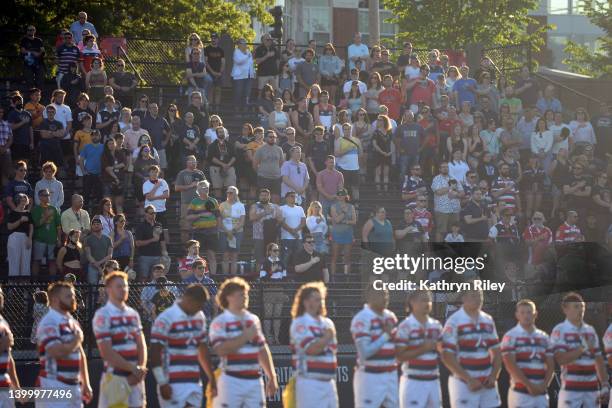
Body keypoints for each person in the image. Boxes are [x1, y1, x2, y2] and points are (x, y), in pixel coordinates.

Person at [209, 277, 278, 407]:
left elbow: (262, 349)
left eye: (246, 293)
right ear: (229, 297)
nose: (246, 297)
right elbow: (220, 350)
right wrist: (245, 336)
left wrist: (272, 376)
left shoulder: (253, 319)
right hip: (231, 381)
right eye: (241, 294)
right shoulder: (219, 322)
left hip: (255, 381)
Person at [150, 283, 217, 407]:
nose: (200, 308)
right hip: (171, 383)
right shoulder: (165, 318)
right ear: (189, 300)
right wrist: (162, 382)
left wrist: (212, 378)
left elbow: (202, 348)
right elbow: (154, 352)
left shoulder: (199, 316)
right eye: (199, 305)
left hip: (194, 383)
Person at [93, 271, 147, 408]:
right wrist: (134, 369)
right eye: (119, 286)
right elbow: (106, 352)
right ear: (108, 289)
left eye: (125, 286)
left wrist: (139, 369)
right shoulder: (102, 315)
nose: (123, 289)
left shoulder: (133, 314)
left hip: (137, 378)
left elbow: (142, 345)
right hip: (115, 377)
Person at [441, 288, 502, 408]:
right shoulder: (454, 321)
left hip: (487, 384)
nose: (478, 298)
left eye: (480, 295)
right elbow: (446, 356)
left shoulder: (488, 320)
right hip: (463, 384)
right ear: (463, 298)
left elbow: (497, 352)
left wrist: (493, 375)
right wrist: (468, 379)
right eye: (473, 295)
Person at [36, 281, 92, 406]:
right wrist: (77, 340)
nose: (73, 299)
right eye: (68, 296)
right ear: (55, 299)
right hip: (53, 385)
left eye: (73, 295)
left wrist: (86, 383)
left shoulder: (72, 321)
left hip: (74, 386)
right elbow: (56, 352)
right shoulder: (49, 321)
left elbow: (80, 354)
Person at [551, 292, 609, 408]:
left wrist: (604, 384)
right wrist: (582, 348)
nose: (581, 310)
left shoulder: (590, 331)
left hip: (592, 388)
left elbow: (598, 360)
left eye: (582, 306)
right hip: (570, 389)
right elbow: (561, 359)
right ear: (565, 309)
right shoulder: (560, 330)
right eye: (576, 306)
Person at [290, 281, 338, 408]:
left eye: (319, 299)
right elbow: (311, 349)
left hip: (329, 382)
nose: (317, 303)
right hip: (309, 382)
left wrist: (323, 341)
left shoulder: (328, 323)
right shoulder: (299, 323)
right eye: (313, 299)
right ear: (304, 302)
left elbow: (331, 351)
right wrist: (326, 337)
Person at [500, 299, 554, 408]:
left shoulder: (544, 337)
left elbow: (551, 365)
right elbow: (510, 365)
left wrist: (544, 385)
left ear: (535, 314)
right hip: (520, 394)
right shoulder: (510, 336)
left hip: (541, 394)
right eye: (522, 312)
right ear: (517, 315)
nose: (526, 315)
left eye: (529, 312)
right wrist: (529, 386)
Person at [350, 287, 398, 408]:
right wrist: (386, 335)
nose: (385, 297)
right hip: (370, 376)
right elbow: (364, 352)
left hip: (391, 374)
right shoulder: (362, 318)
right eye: (381, 294)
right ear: (370, 297)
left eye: (386, 294)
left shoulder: (390, 316)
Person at [395, 290, 443, 408]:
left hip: (433, 381)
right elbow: (399, 356)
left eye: (429, 300)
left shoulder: (436, 326)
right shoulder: (405, 326)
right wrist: (423, 348)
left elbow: (444, 351)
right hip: (413, 382)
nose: (427, 303)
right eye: (423, 300)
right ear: (412, 302)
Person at [187, 180, 220, 275]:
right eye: (202, 187)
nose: (205, 189)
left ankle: (213, 277)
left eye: (206, 187)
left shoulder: (213, 201)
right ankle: (198, 275)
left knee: (212, 255)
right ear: (198, 190)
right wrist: (200, 215)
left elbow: (218, 217)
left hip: (212, 232)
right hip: (199, 232)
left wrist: (217, 229)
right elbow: (188, 217)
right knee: (197, 256)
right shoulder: (194, 202)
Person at [174, 155, 206, 242]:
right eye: (191, 161)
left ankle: (198, 248)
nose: (193, 163)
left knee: (199, 226)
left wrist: (201, 186)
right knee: (185, 227)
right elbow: (176, 188)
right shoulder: (182, 173)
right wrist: (190, 186)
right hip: (186, 203)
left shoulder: (200, 173)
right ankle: (184, 248)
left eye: (195, 161)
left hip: (199, 203)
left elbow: (206, 187)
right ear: (187, 163)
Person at [31, 188, 62, 276]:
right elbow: (36, 225)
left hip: (52, 240)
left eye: (48, 195)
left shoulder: (54, 209)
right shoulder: (36, 209)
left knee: (52, 261)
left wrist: (59, 239)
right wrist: (46, 217)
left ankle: (51, 283)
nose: (48, 197)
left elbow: (58, 226)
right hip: (39, 239)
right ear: (40, 197)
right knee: (37, 260)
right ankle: (34, 284)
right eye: (45, 195)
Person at [134, 204, 168, 280]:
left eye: (154, 213)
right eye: (151, 213)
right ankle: (142, 292)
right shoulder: (141, 226)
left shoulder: (158, 225)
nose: (153, 215)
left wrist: (165, 252)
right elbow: (137, 243)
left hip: (157, 256)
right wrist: (152, 240)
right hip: (145, 256)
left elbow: (162, 240)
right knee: (143, 278)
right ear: (146, 214)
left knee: (157, 278)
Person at [219, 186, 246, 275]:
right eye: (228, 192)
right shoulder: (222, 205)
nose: (229, 194)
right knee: (225, 256)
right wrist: (227, 231)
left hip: (237, 233)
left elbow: (242, 222)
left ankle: (233, 278)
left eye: (231, 193)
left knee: (234, 256)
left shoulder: (241, 205)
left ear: (236, 194)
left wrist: (233, 231)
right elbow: (219, 221)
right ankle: (225, 278)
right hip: (224, 232)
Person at [7, 193, 33, 277]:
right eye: (22, 200)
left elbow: (31, 227)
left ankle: (24, 287)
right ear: (18, 201)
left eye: (25, 200)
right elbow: (10, 227)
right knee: (14, 261)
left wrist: (30, 238)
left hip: (26, 237)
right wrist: (20, 221)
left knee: (26, 262)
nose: (24, 202)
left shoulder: (28, 213)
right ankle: (12, 287)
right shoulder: (12, 213)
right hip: (14, 237)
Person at [207, 126, 237, 197]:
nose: (222, 133)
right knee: (217, 188)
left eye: (223, 132)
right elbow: (210, 157)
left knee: (231, 188)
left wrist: (228, 165)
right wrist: (223, 164)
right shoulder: (212, 145)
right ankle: (219, 206)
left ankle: (230, 205)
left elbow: (235, 156)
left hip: (229, 167)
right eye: (220, 132)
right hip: (216, 168)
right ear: (217, 134)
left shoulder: (230, 144)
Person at [83, 215, 112, 284]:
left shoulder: (108, 239)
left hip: (105, 267)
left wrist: (100, 263)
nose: (96, 225)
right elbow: (88, 255)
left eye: (98, 224)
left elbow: (110, 255)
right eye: (94, 224)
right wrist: (98, 265)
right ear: (91, 226)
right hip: (92, 266)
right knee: (93, 287)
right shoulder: (88, 239)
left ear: (102, 226)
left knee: (105, 287)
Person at [280, 191, 306, 266]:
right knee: (285, 258)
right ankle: (283, 274)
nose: (294, 198)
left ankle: (297, 276)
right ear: (286, 198)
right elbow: (282, 222)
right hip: (286, 238)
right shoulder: (282, 208)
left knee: (298, 258)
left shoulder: (300, 208)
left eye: (295, 197)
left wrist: (295, 231)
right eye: (292, 196)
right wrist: (292, 232)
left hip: (298, 238)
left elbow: (303, 222)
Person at [101, 138, 126, 213]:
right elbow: (108, 169)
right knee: (107, 204)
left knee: (119, 203)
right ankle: (107, 223)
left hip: (120, 181)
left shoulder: (120, 153)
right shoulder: (104, 155)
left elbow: (124, 164)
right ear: (107, 145)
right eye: (109, 144)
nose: (111, 145)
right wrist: (116, 178)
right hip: (108, 181)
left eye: (113, 143)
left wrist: (114, 167)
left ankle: (121, 221)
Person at [79, 129, 104, 205]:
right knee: (85, 195)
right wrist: (83, 171)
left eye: (96, 135)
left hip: (100, 175)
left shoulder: (104, 147)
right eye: (93, 135)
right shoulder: (86, 147)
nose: (94, 137)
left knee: (99, 196)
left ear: (100, 136)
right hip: (88, 174)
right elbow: (81, 160)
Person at [7, 94, 33, 162]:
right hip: (16, 143)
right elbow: (11, 127)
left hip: (26, 143)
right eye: (17, 102)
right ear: (14, 103)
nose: (20, 103)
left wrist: (32, 142)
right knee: (16, 163)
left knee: (26, 163)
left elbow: (30, 129)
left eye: (21, 101)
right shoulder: (12, 114)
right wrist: (23, 122)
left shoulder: (27, 114)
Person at [232, 39, 255, 108]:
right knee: (238, 93)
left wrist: (252, 73)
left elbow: (251, 63)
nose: (245, 45)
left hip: (249, 76)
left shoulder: (248, 51)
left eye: (245, 43)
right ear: (238, 45)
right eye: (243, 43)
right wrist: (247, 56)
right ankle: (237, 111)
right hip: (239, 77)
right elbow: (239, 61)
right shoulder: (236, 52)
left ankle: (245, 111)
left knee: (247, 94)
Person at [204, 33, 225, 109]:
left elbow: (223, 62)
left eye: (215, 38)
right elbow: (205, 62)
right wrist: (212, 72)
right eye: (212, 38)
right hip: (209, 73)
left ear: (218, 39)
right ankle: (210, 109)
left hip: (219, 74)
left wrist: (220, 72)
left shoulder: (221, 50)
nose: (213, 39)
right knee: (211, 91)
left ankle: (217, 109)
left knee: (218, 91)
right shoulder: (206, 49)